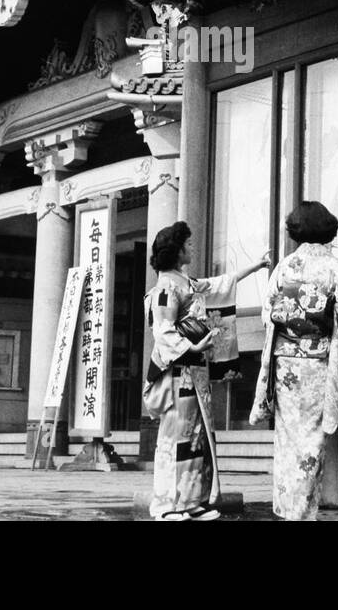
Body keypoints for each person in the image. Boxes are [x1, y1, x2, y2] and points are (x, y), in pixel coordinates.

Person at [142, 221, 269, 521]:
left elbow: (221, 284)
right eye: (188, 243)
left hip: (194, 373)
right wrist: (194, 348)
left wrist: (256, 266)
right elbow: (163, 331)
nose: (193, 247)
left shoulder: (186, 283)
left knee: (196, 439)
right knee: (175, 438)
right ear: (176, 251)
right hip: (177, 372)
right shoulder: (165, 288)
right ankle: (165, 506)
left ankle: (190, 500)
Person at [251, 201, 338, 520]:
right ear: (327, 228)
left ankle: (289, 507)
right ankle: (301, 511)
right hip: (317, 362)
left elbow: (267, 314)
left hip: (285, 361)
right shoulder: (337, 269)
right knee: (312, 438)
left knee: (288, 439)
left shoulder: (284, 267)